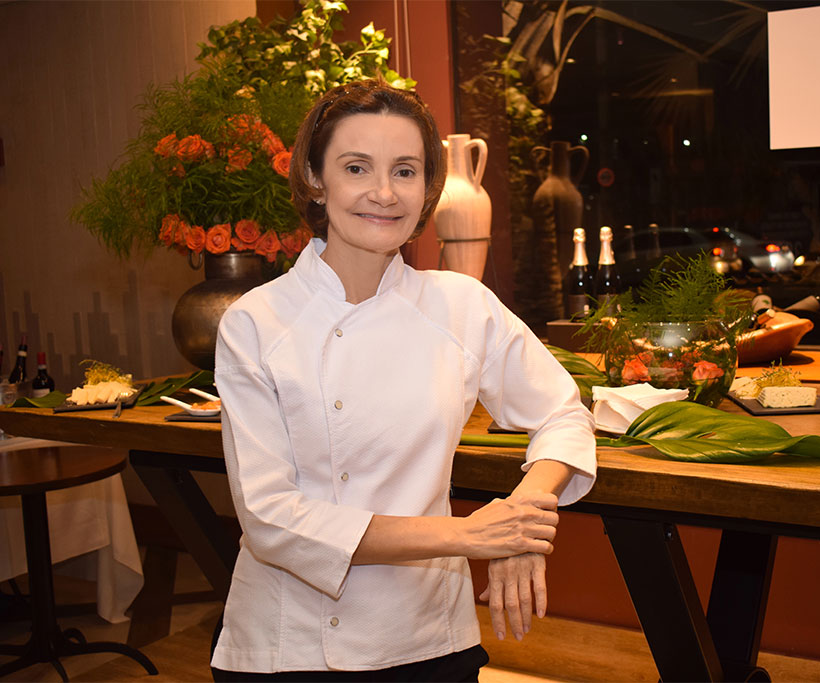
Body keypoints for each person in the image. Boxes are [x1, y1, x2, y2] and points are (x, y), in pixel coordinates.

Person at [210, 79, 597, 681]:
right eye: (357, 167)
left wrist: (522, 512)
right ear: (315, 178)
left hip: (427, 635)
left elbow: (563, 415)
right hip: (292, 647)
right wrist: (469, 536)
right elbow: (271, 518)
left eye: (406, 171)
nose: (384, 194)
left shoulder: (460, 305)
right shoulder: (256, 321)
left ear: (428, 186)